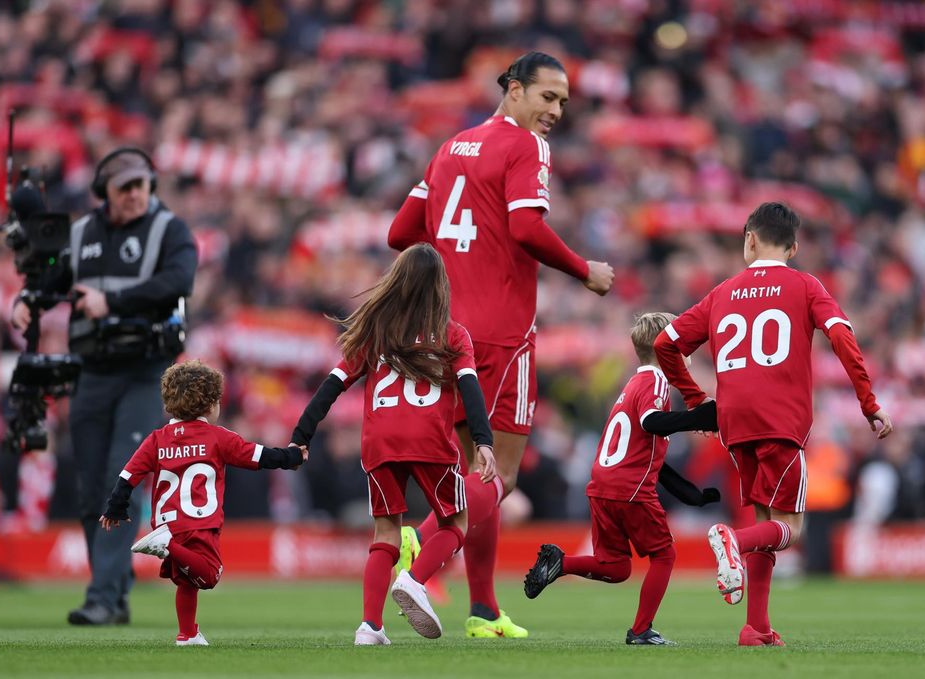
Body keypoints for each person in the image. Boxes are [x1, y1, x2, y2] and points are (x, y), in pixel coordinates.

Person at [387, 50, 615, 639]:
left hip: (440, 331)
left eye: (563, 101)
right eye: (547, 96)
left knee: (470, 468)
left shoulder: (449, 148)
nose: (557, 111)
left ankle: (484, 610)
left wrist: (456, 258)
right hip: (499, 335)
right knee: (498, 478)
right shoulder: (525, 147)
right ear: (513, 90)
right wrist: (583, 269)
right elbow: (526, 227)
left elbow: (400, 233)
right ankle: (422, 567)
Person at [653, 202, 894, 646]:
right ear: (794, 246)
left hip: (734, 421)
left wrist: (695, 398)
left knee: (767, 516)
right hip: (780, 419)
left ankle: (756, 627)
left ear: (749, 239)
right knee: (790, 527)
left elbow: (666, 343)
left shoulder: (722, 291)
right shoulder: (805, 285)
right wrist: (868, 402)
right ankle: (732, 539)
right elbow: (841, 334)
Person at [11, 147, 198, 625]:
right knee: (92, 486)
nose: (136, 194)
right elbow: (49, 280)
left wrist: (111, 302)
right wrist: (29, 299)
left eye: (141, 185)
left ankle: (101, 594)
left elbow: (178, 281)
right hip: (91, 370)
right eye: (125, 187)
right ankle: (111, 595)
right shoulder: (82, 233)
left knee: (122, 477)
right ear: (105, 194)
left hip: (144, 371)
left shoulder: (168, 230)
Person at [288, 243, 499, 645]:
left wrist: (302, 435)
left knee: (385, 533)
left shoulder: (376, 332)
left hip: (380, 441)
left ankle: (370, 627)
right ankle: (415, 580)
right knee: (458, 522)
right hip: (430, 441)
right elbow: (471, 392)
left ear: (397, 282)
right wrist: (484, 442)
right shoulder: (453, 334)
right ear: (440, 286)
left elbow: (330, 387)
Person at [523, 312, 721, 646]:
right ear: (665, 348)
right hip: (629, 489)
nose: (685, 352)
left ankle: (562, 562)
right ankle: (642, 630)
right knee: (664, 555)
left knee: (615, 567)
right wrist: (700, 416)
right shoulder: (656, 382)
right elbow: (651, 422)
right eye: (681, 343)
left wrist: (692, 495)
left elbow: (647, 453)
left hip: (603, 487)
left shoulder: (632, 384)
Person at [99, 360, 306, 646]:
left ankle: (188, 634)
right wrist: (292, 457)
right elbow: (259, 456)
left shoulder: (158, 439)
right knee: (210, 575)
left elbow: (128, 475)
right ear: (210, 405)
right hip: (198, 522)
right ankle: (164, 545)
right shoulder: (217, 437)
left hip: (167, 521)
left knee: (186, 582)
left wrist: (115, 507)